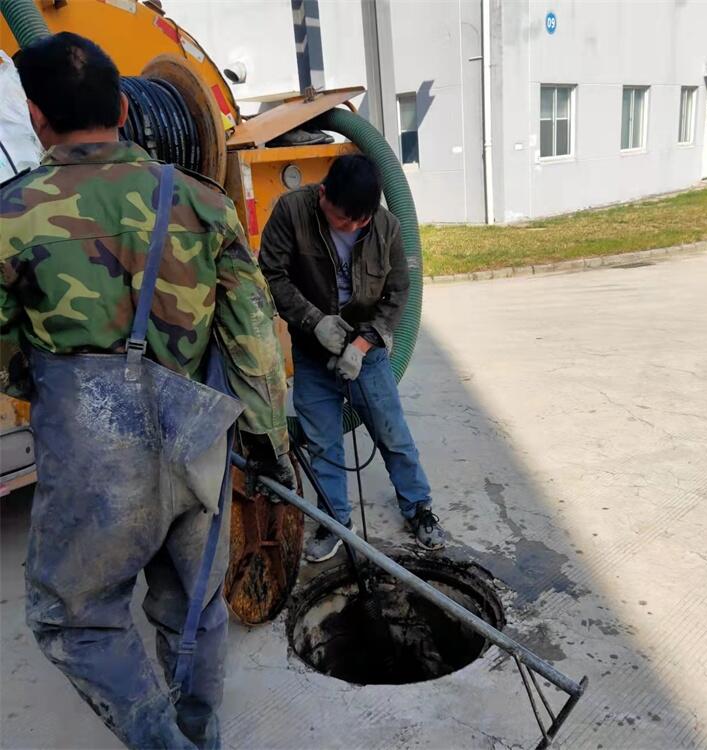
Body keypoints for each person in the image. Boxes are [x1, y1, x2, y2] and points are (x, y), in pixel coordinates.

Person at [0, 33, 294, 750]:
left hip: (93, 462)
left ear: (36, 118)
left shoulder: (10, 216)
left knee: (73, 616)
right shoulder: (201, 202)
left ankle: (163, 741)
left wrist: (36, 382)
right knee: (194, 609)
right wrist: (268, 448)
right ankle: (200, 730)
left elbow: (6, 352)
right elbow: (255, 344)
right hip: (197, 446)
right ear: (126, 107)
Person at [259, 153, 446, 562]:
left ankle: (418, 509)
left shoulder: (384, 225)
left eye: (362, 220)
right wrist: (313, 323)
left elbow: (398, 292)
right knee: (323, 443)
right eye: (345, 220)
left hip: (368, 352)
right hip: (312, 351)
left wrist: (363, 345)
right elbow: (270, 274)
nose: (354, 227)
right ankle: (334, 521)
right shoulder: (292, 211)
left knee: (393, 434)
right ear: (324, 195)